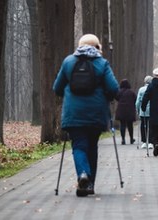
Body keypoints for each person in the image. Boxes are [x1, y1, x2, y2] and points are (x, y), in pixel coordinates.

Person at [53, 34, 119, 197]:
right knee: (92, 147)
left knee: (79, 146)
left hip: (73, 113)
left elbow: (57, 88)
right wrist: (108, 96)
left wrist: (67, 94)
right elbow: (114, 88)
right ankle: (89, 185)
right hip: (96, 114)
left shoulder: (68, 61)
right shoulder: (102, 63)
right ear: (97, 47)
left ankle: (83, 174)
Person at [115, 79, 137, 145]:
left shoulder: (119, 92)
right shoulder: (131, 92)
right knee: (130, 125)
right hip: (129, 111)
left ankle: (123, 139)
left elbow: (116, 98)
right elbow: (135, 99)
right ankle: (131, 139)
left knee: (122, 125)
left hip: (121, 111)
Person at [135, 75, 154, 149]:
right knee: (151, 126)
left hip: (143, 111)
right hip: (152, 111)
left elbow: (137, 102)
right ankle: (150, 142)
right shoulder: (153, 89)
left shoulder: (141, 89)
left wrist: (137, 109)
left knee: (143, 126)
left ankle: (144, 142)